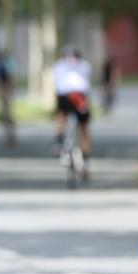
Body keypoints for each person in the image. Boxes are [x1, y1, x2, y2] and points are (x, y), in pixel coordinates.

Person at [53, 45, 92, 176]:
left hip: (65, 96)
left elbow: (58, 84)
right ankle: (85, 160)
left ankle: (59, 140)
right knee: (84, 129)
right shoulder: (85, 65)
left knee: (60, 114)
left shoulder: (60, 65)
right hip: (80, 97)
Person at [0, 50, 17, 147]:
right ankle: (10, 136)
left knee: (8, 115)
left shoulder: (3, 65)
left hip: (6, 91)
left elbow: (9, 79)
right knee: (6, 115)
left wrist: (8, 91)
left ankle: (11, 136)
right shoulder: (2, 65)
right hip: (5, 90)